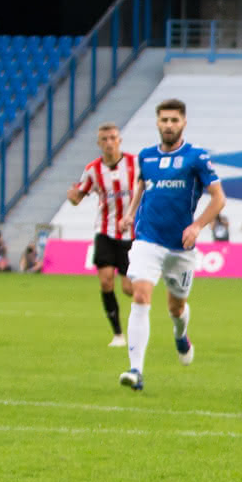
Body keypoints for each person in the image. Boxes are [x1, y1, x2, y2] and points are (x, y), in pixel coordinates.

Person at [117, 99, 227, 392]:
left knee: (176, 308)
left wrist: (197, 225)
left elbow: (219, 198)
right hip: (147, 239)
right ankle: (135, 371)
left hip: (181, 246)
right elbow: (142, 185)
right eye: (164, 120)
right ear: (157, 123)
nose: (168, 125)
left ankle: (181, 334)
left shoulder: (196, 158)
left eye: (174, 120)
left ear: (183, 123)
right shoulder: (146, 157)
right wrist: (129, 214)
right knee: (140, 295)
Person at [67, 121, 138, 348]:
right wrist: (72, 197)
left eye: (113, 138)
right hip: (105, 231)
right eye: (104, 140)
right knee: (106, 281)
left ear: (120, 140)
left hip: (131, 235)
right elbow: (78, 197)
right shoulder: (92, 170)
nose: (109, 143)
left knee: (129, 289)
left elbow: (149, 188)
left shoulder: (135, 164)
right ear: (99, 143)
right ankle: (118, 334)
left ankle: (139, 318)